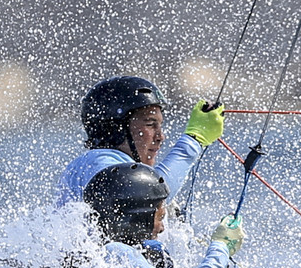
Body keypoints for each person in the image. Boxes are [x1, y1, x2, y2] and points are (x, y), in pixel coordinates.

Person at [82, 161, 243, 268]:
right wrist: (221, 247)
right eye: (160, 218)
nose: (162, 228)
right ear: (138, 219)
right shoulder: (116, 254)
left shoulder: (99, 250)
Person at [57, 76, 224, 209]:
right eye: (150, 124)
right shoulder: (98, 162)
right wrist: (194, 139)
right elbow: (149, 197)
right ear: (115, 129)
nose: (161, 136)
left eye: (160, 125)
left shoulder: (96, 165)